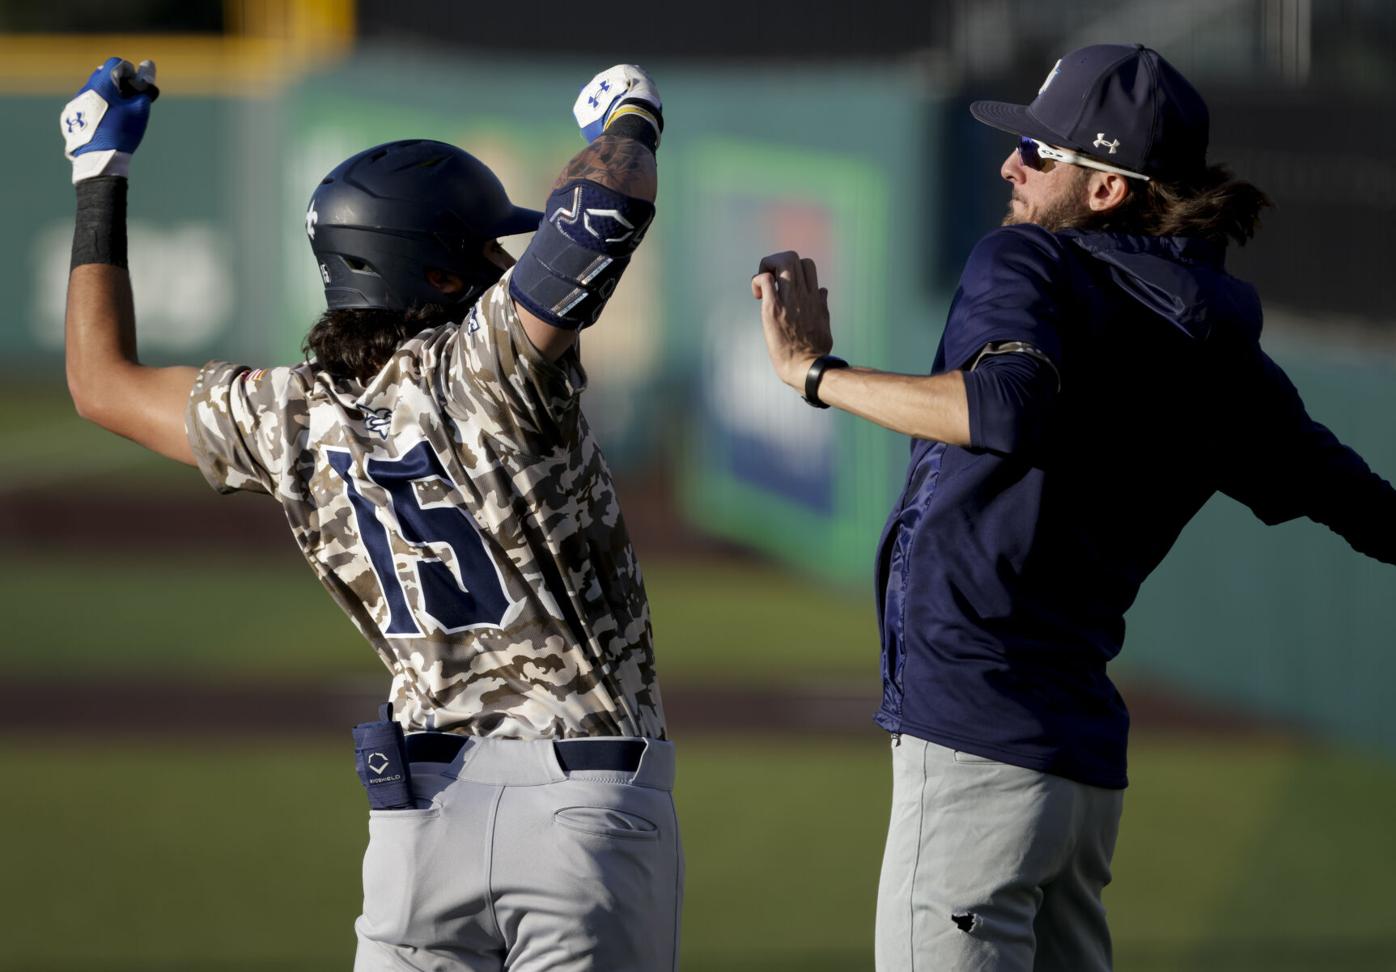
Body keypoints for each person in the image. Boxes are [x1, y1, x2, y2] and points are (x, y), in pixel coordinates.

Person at [751, 43, 1395, 972]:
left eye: (1044, 153)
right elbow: (1365, 506)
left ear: (1106, 189)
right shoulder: (1222, 358)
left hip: (978, 738)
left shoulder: (1030, 262)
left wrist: (814, 374)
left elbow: (1007, 408)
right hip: (1078, 777)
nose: (1014, 163)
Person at [61, 57, 680, 972]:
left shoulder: (285, 413)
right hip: (581, 806)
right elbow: (605, 210)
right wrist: (631, 116)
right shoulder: (487, 368)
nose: (509, 264)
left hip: (417, 826)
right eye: (486, 251)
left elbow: (99, 383)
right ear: (435, 271)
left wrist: (97, 178)